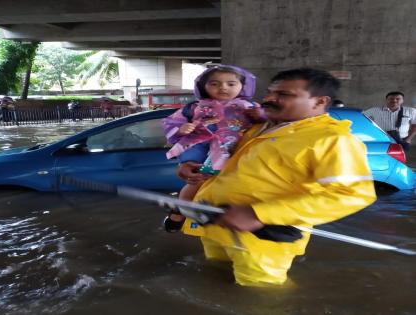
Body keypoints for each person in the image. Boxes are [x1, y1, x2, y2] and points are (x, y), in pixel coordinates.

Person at [176, 68, 377, 287]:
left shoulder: (333, 140)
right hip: (217, 224)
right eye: (270, 92)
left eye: (284, 95)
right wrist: (189, 166)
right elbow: (222, 161)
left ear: (319, 101)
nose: (270, 99)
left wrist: (258, 214)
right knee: (214, 278)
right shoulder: (257, 128)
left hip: (262, 239)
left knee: (262, 296)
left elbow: (351, 195)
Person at [161, 65, 264, 233]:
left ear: (242, 86)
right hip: (201, 148)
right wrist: (181, 129)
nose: (223, 87)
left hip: (234, 151)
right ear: (203, 86)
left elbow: (268, 124)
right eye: (215, 83)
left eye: (231, 84)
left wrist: (260, 116)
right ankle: (179, 211)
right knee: (196, 182)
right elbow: (170, 122)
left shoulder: (249, 107)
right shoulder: (194, 108)